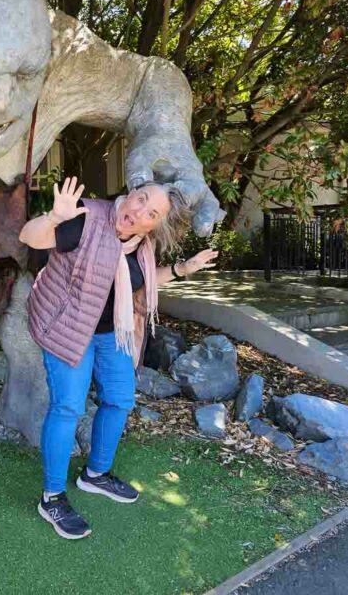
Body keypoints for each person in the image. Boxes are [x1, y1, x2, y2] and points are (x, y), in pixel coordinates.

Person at [19, 176, 218, 540]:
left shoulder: (141, 243)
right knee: (67, 407)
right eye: (141, 199)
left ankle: (95, 474)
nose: (140, 211)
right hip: (67, 327)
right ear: (129, 194)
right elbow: (30, 238)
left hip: (112, 332)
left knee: (120, 398)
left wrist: (182, 270)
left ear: (154, 225)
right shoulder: (87, 218)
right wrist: (53, 217)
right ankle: (52, 497)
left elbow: (142, 281)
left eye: (152, 212)